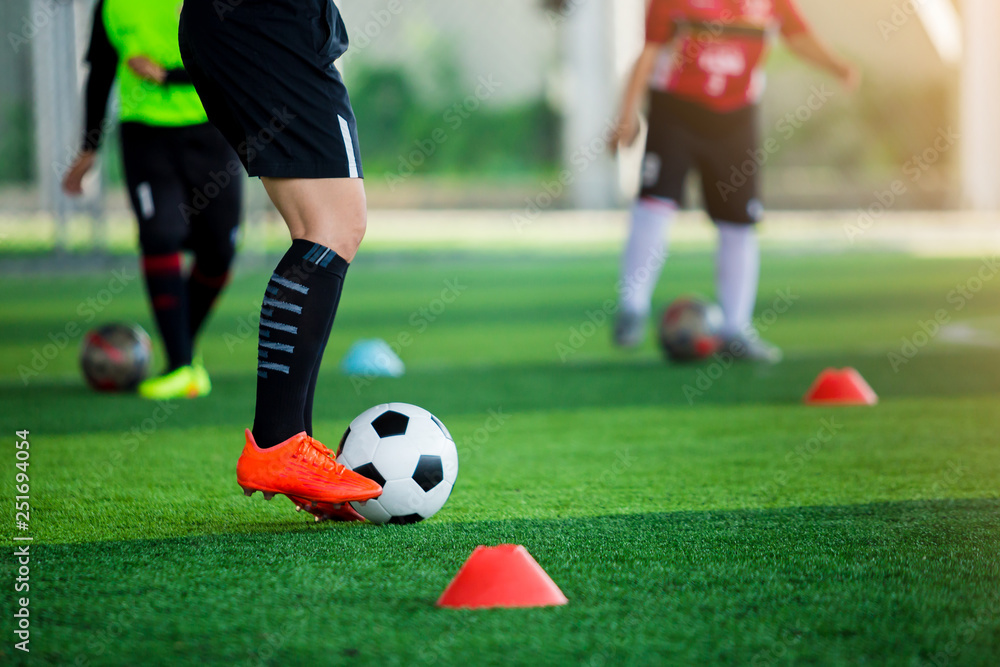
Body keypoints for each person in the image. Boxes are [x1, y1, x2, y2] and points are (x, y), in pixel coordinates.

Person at [177, 0, 381, 520]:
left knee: (320, 227)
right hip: (270, 25)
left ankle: (293, 444)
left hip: (239, 26)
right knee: (333, 226)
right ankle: (279, 442)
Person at [612, 0, 859, 361]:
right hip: (676, 111)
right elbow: (648, 52)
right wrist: (627, 114)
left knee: (739, 222)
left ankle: (735, 329)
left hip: (735, 118)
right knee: (656, 203)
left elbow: (798, 36)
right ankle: (632, 308)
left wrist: (837, 66)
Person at [63, 0, 243, 399]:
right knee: (160, 235)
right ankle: (181, 365)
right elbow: (101, 72)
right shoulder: (110, 6)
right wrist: (89, 148)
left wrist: (168, 77)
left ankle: (180, 347)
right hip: (146, 138)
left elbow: (235, 57)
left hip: (213, 131)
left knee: (219, 252)